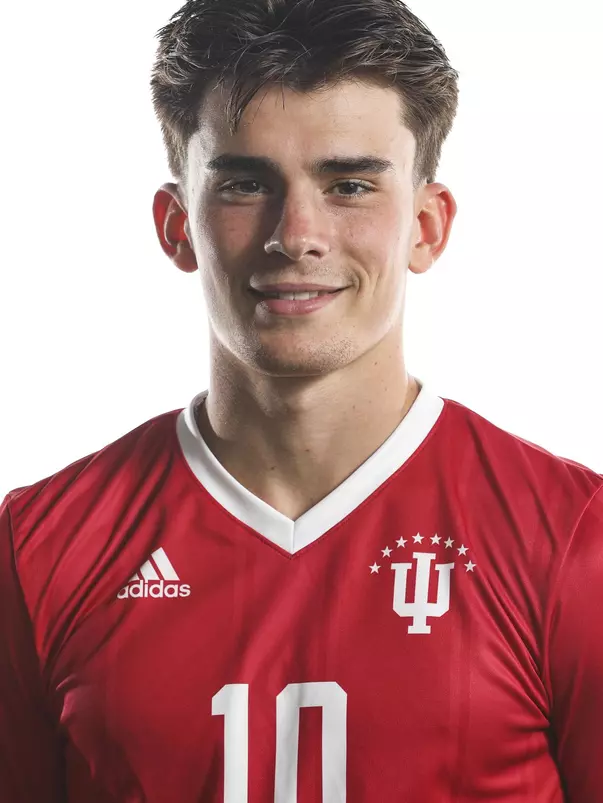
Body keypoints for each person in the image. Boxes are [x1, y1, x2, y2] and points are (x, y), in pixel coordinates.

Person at [1, 0, 601, 800]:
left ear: (425, 225)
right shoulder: (40, 547)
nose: (297, 234)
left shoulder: (569, 541)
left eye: (348, 184)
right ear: (177, 224)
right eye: (247, 183)